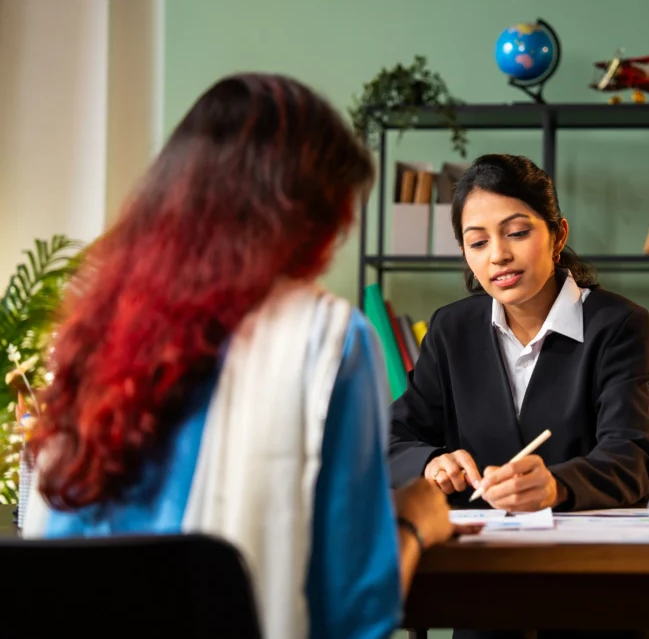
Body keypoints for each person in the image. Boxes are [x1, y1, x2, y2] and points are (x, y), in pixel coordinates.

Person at [21, 73, 460, 639]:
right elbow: (352, 616)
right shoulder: (328, 342)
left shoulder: (97, 335)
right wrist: (415, 521)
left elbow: (51, 573)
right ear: (305, 218)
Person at [389, 153, 649, 515]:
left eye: (517, 233)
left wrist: (556, 487)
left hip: (576, 536)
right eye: (478, 242)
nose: (498, 255)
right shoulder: (451, 329)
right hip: (477, 539)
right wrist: (429, 463)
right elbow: (388, 439)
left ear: (558, 236)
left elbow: (633, 457)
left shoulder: (617, 324)